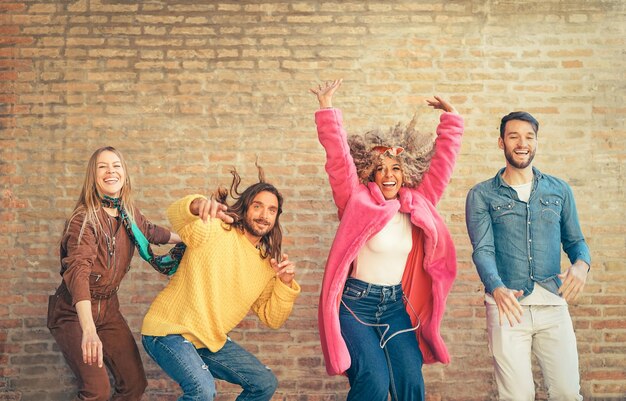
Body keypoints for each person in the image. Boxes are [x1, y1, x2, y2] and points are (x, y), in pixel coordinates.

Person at [310, 79, 464, 401]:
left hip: (394, 307)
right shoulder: (356, 202)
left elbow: (442, 168)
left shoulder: (418, 204)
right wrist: (327, 110)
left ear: (406, 172)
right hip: (356, 307)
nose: (389, 175)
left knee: (410, 384)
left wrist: (451, 121)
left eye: (396, 168)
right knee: (374, 384)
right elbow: (338, 162)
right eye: (381, 169)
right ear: (370, 173)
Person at [141, 166, 301, 401]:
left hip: (208, 340)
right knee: (202, 391)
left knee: (264, 383)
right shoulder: (215, 228)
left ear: (276, 218)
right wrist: (197, 206)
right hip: (168, 330)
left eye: (271, 210)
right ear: (245, 207)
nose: (264, 215)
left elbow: (272, 318)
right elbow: (176, 214)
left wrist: (285, 284)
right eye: (257, 206)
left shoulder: (267, 265)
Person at [465, 111, 591, 400]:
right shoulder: (482, 195)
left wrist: (581, 266)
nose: (522, 143)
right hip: (507, 309)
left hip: (553, 304)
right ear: (501, 143)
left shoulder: (559, 190)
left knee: (567, 393)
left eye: (529, 137)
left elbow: (576, 242)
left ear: (536, 142)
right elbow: (483, 250)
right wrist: (496, 287)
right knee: (517, 396)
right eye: (514, 136)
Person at [47, 146, 183, 401]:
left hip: (108, 310)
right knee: (97, 391)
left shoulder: (128, 215)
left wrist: (189, 239)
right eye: (103, 167)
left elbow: (152, 232)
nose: (111, 171)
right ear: (93, 176)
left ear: (124, 173)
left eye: (116, 165)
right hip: (73, 313)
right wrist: (88, 331)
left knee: (134, 384)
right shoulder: (83, 220)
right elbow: (78, 273)